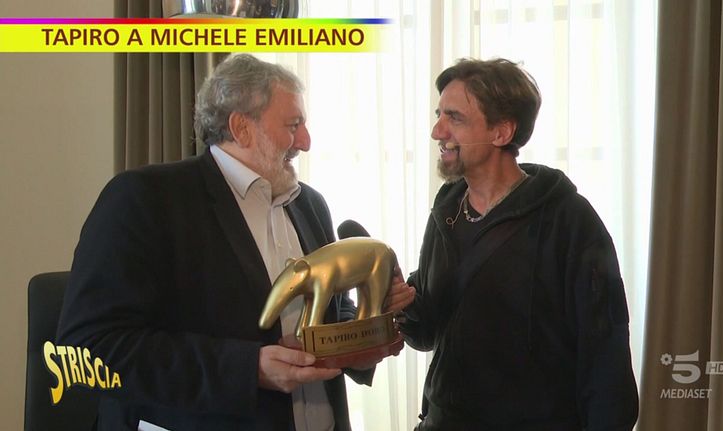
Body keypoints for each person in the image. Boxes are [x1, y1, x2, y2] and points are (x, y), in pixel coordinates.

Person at [57, 54, 404, 431]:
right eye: (293, 125)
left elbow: (334, 311)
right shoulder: (146, 199)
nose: (306, 142)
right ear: (241, 128)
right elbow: (87, 347)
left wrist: (366, 334)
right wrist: (248, 369)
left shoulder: (310, 204)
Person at [396, 58, 639, 430]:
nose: (437, 131)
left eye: (454, 118)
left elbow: (606, 360)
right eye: (438, 115)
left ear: (501, 132)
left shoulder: (568, 220)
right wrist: (405, 302)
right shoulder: (446, 213)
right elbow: (428, 332)